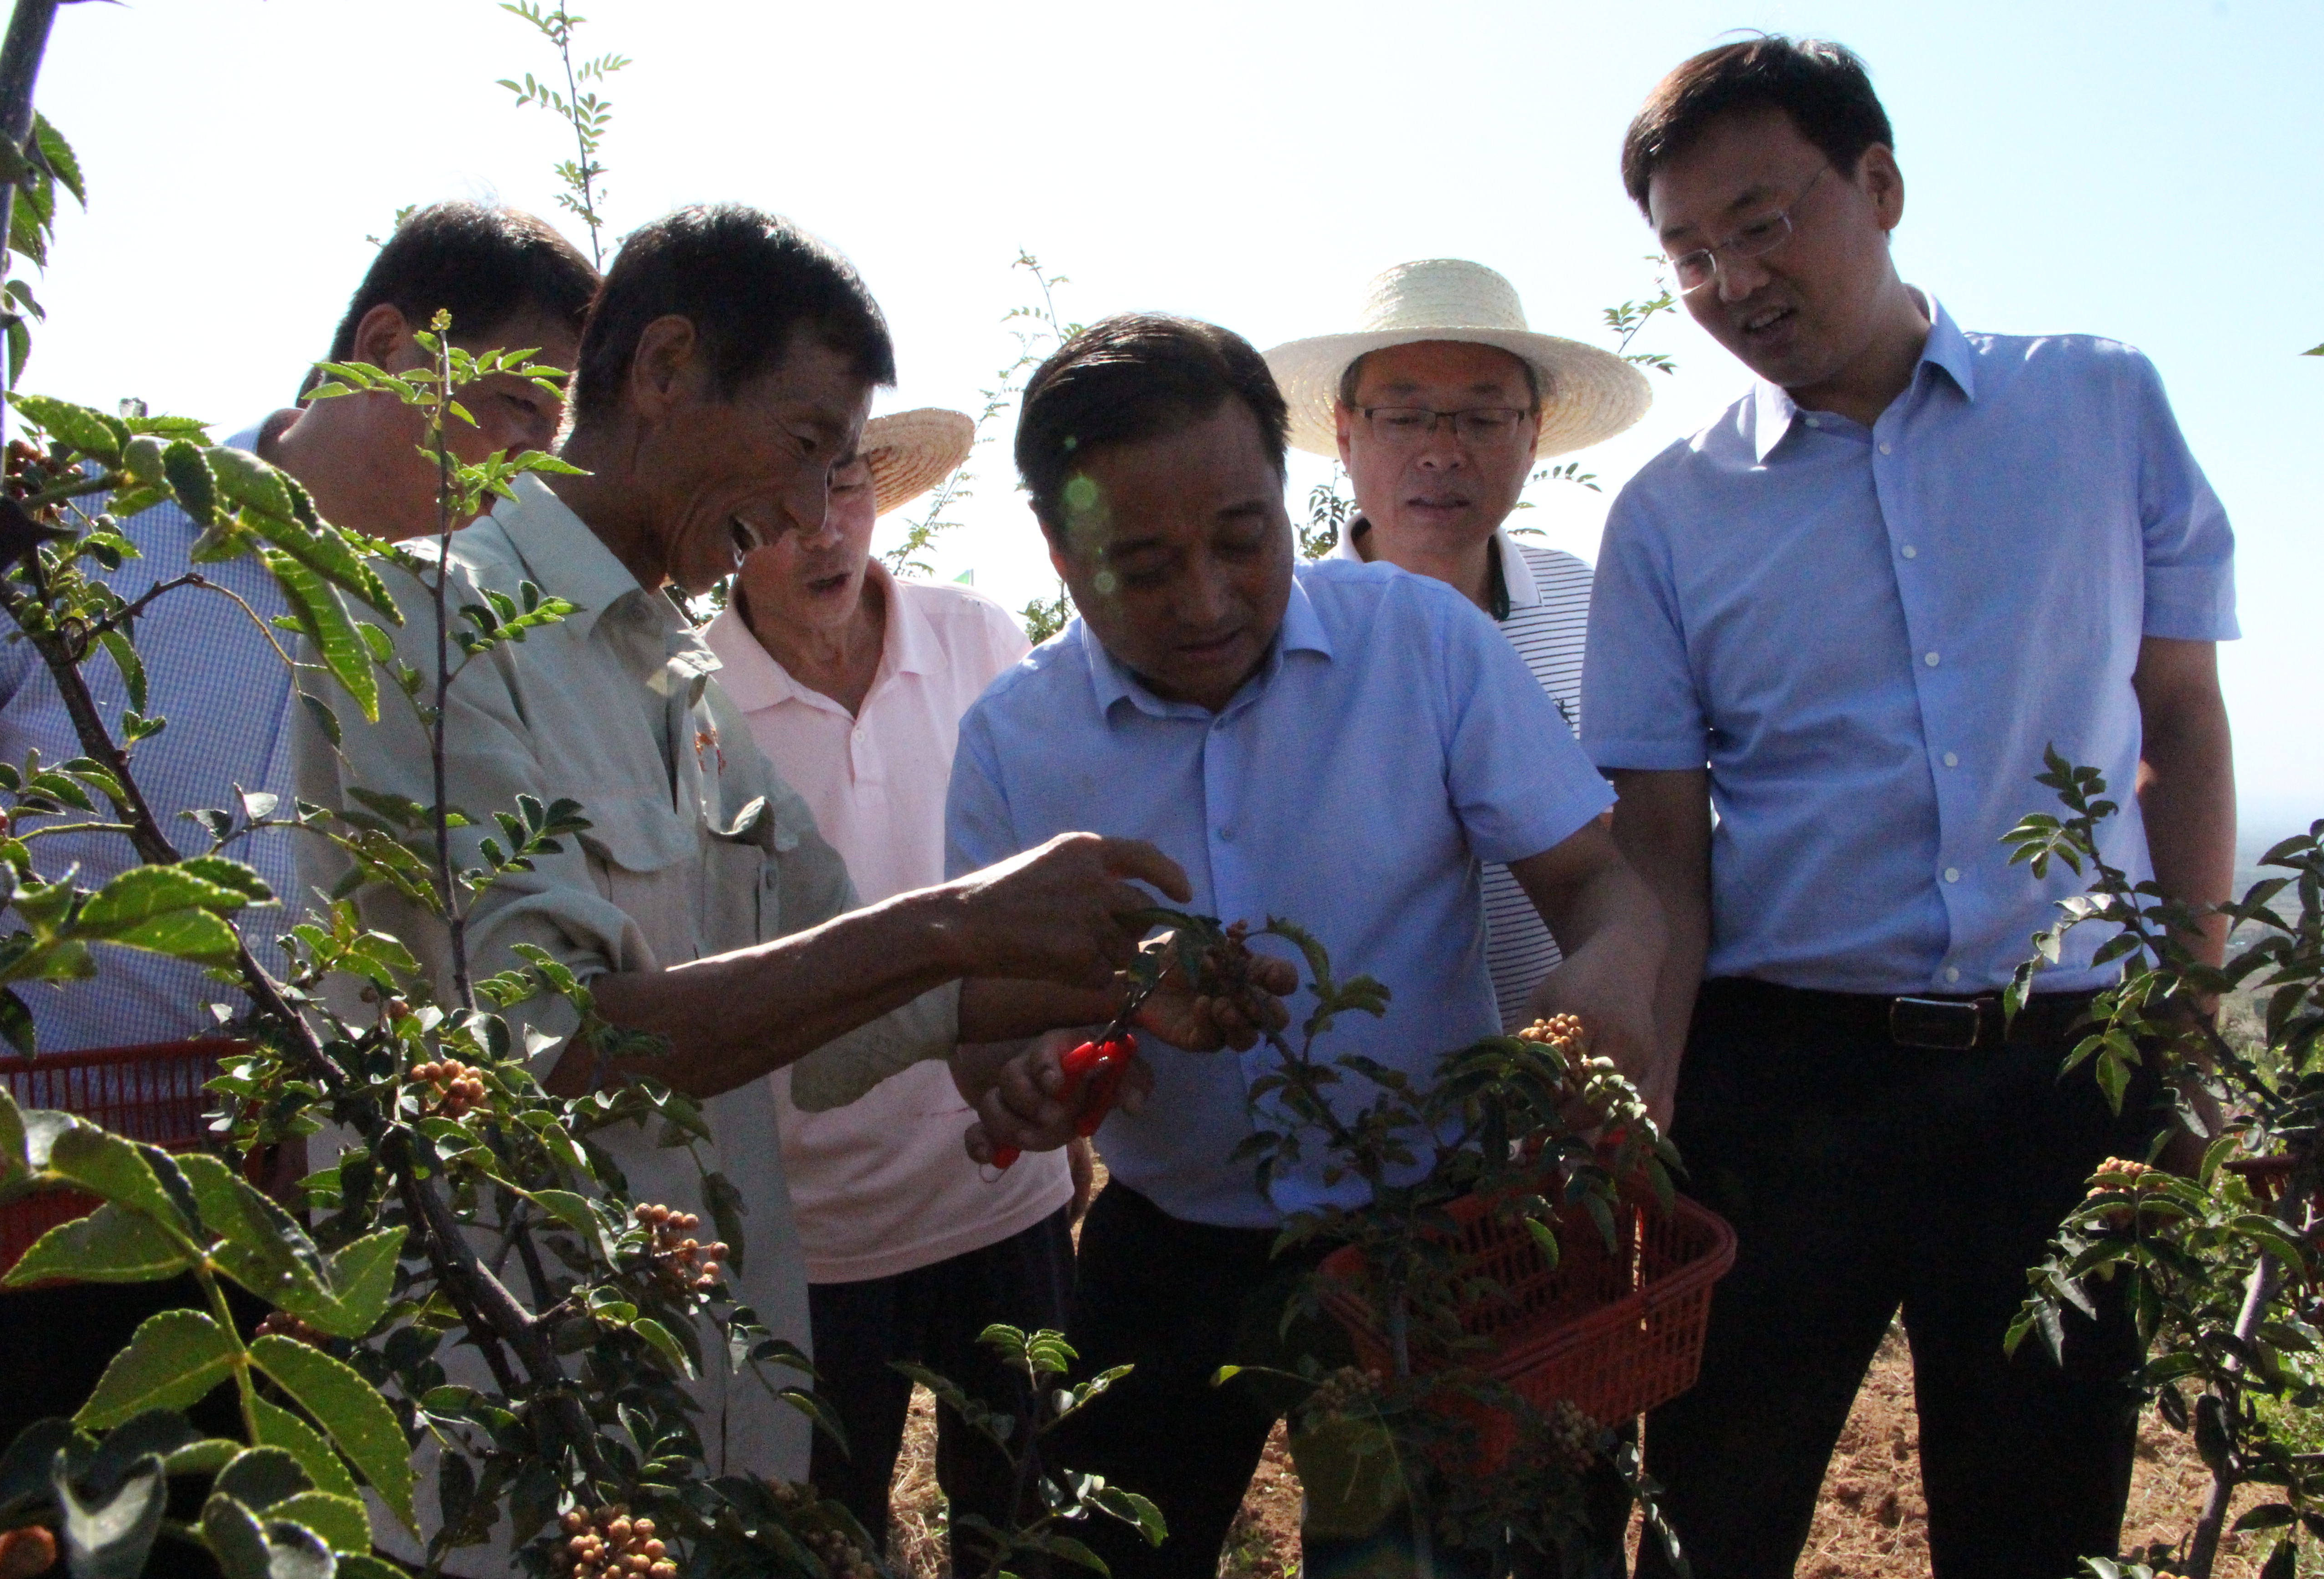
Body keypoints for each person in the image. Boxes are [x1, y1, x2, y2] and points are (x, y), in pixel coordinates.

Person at [296, 209, 1288, 1570]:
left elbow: (852, 985)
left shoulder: (682, 682)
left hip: (706, 1418)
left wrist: (1128, 971)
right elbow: (555, 1053)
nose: (821, 509)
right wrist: (963, 915)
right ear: (664, 368)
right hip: (511, 1439)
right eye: (807, 442)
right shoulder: (427, 630)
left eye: (844, 467)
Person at [1583, 38, 2237, 1579]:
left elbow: (2180, 720)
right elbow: (1660, 845)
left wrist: (2184, 1042)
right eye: (1685, 254)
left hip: (2056, 1084)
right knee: (1707, 1523)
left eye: (1761, 222)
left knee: (2038, 1522)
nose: (1730, 281)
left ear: (1878, 186)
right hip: (1779, 1083)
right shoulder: (1668, 515)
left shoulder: (2097, 404)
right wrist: (1643, 1120)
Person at [949, 313, 1667, 1579]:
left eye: (1243, 541)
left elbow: (1601, 886)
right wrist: (1034, 1070)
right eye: (1145, 567)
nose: (1209, 602)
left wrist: (1604, 978)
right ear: (1061, 559)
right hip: (1167, 1255)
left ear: (1289, 502)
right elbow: (998, 1023)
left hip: (1434, 1241)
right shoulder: (1016, 742)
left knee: (1441, 1556)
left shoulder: (1426, 646)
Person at [0, 201, 600, 1458]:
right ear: (387, 341)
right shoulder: (87, 516)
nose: (530, 458)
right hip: (15, 1199)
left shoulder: (466, 640)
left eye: (556, 430)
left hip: (288, 1235)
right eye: (521, 404)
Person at [701, 407, 1075, 1564]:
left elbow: (1046, 871)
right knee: (823, 1538)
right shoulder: (684, 694)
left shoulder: (979, 639)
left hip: (1003, 1189)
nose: (823, 530)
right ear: (725, 523)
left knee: (1022, 1524)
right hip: (809, 1236)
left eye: (848, 485)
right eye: (782, 500)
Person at [1265, 257, 1653, 1025]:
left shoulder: (1596, 605)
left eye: (1483, 419)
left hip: (1575, 1090)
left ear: (1533, 434)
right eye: (1404, 418)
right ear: (1345, 433)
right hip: (1360, 1097)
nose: (1443, 452)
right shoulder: (1279, 638)